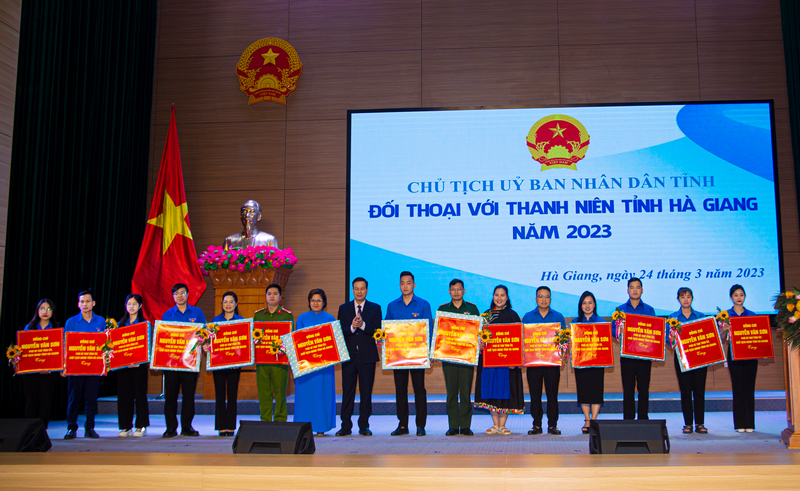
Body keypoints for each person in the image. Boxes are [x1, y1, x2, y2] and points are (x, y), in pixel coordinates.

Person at [385, 271, 433, 436]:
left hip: (418, 355)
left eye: (408, 283)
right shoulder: (392, 306)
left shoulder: (423, 305)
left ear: (414, 285)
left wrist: (429, 355)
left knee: (419, 389)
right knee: (400, 390)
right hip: (398, 356)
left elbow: (429, 330)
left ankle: (420, 425)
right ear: (399, 285)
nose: (405, 286)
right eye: (402, 283)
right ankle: (403, 425)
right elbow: (387, 331)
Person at [474, 285, 524, 435]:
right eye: (497, 295)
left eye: (502, 295)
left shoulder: (513, 315)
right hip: (489, 362)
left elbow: (517, 340)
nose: (499, 298)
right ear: (493, 296)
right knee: (491, 392)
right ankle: (495, 424)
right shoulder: (486, 316)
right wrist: (480, 343)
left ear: (507, 298)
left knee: (505, 391)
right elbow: (479, 336)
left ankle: (503, 425)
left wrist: (515, 360)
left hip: (506, 364)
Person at [336, 277, 382, 436]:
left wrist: (362, 325)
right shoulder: (344, 308)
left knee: (366, 392)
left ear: (367, 290)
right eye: (356, 288)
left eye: (362, 288)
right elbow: (340, 331)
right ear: (352, 290)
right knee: (347, 392)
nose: (359, 291)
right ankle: (345, 426)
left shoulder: (375, 308)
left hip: (367, 357)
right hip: (349, 357)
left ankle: (364, 425)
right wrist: (351, 327)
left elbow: (378, 330)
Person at [160, 283, 206, 437]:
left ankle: (187, 427)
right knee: (170, 396)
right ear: (173, 296)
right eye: (176, 293)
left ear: (187, 294)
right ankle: (170, 427)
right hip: (171, 364)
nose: (179, 296)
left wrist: (204, 343)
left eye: (182, 293)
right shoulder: (167, 315)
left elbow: (204, 334)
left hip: (190, 363)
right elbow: (162, 339)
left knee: (189, 396)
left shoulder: (197, 313)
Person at [438, 279, 480, 436]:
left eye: (459, 289)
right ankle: (453, 426)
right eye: (453, 289)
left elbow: (478, 331)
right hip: (448, 358)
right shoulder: (443, 309)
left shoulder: (472, 309)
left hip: (466, 358)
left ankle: (466, 426)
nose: (456, 292)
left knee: (465, 392)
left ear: (464, 291)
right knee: (451, 393)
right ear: (449, 291)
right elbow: (439, 334)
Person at [522, 286, 566, 435]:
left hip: (552, 363)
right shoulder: (528, 317)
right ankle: (537, 424)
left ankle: (553, 425)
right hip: (533, 363)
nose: (544, 299)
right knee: (535, 395)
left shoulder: (558, 317)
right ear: (536, 299)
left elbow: (564, 340)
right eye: (540, 296)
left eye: (546, 296)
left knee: (552, 395)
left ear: (550, 299)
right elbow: (523, 340)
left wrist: (563, 352)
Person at [64, 289, 106, 439]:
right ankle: (71, 428)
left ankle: (90, 428)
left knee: (92, 400)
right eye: (82, 301)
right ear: (78, 304)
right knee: (74, 398)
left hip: (94, 368)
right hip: (75, 368)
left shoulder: (101, 321)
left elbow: (105, 345)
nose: (85, 304)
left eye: (88, 301)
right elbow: (66, 345)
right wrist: (64, 365)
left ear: (93, 303)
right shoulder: (71, 322)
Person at [294, 289, 337, 435]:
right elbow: (297, 341)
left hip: (324, 367)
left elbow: (334, 342)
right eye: (313, 300)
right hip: (306, 366)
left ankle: (321, 428)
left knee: (321, 396)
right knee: (306, 397)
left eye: (319, 300)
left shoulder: (330, 318)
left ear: (324, 302)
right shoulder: (302, 318)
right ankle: (304, 428)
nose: (316, 303)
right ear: (309, 302)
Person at [613, 277, 657, 420]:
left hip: (644, 356)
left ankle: (643, 418)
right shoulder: (620, 310)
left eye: (638, 287)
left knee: (643, 388)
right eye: (632, 287)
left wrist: (654, 351)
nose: (635, 290)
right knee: (628, 388)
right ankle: (629, 419)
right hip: (627, 355)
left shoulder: (649, 310)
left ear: (642, 290)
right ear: (628, 290)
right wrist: (619, 331)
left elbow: (655, 332)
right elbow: (613, 331)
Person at [668, 287, 708, 434]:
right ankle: (688, 424)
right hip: (682, 360)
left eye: (688, 296)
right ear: (678, 299)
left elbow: (707, 335)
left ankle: (700, 423)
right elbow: (668, 340)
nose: (686, 299)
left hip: (699, 358)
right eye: (683, 296)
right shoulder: (673, 318)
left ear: (692, 298)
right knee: (685, 391)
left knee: (699, 391)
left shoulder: (701, 316)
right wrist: (672, 338)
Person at [253, 283, 293, 422]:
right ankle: (265, 420)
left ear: (280, 297)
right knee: (264, 392)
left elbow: (289, 338)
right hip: (262, 361)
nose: (272, 296)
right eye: (269, 294)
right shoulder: (258, 315)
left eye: (275, 294)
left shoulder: (287, 315)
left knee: (280, 392)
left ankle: (280, 420)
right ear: (265, 296)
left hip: (279, 361)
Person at [20, 299, 60, 429]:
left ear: (52, 311)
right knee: (30, 403)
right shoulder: (29, 328)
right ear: (37, 311)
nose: (45, 312)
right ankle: (29, 431)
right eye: (42, 309)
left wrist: (52, 366)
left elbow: (59, 351)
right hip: (31, 374)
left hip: (49, 374)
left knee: (45, 403)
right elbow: (24, 350)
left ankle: (42, 431)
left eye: (48, 309)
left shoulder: (57, 330)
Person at [116, 294, 151, 438]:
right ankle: (125, 426)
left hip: (139, 366)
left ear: (140, 306)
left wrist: (140, 360)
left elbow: (148, 345)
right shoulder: (119, 324)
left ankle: (141, 426)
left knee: (140, 395)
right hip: (123, 367)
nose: (131, 307)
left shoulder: (145, 324)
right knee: (124, 396)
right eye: (129, 304)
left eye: (134, 304)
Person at [211, 291, 243, 436]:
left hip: (235, 364)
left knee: (232, 394)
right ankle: (221, 426)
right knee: (219, 394)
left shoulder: (241, 321)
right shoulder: (215, 321)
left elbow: (244, 344)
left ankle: (230, 426)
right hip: (218, 364)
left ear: (236, 304)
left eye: (231, 302)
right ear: (222, 304)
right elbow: (211, 341)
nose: (228, 305)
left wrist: (240, 360)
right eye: (225, 302)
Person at [573, 291, 606, 434]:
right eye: (584, 303)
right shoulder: (575, 323)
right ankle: (587, 419)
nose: (587, 306)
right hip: (581, 363)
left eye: (590, 303)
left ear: (594, 305)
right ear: (580, 306)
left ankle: (594, 419)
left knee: (596, 391)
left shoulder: (602, 322)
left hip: (597, 363)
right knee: (584, 391)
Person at [727, 284, 758, 432]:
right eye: (736, 295)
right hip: (734, 355)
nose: (739, 298)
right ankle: (739, 423)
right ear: (731, 297)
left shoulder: (752, 314)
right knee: (738, 388)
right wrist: (723, 329)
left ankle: (749, 423)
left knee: (749, 388)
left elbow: (758, 335)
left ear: (744, 296)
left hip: (750, 355)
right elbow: (720, 337)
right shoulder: (725, 316)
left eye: (741, 295)